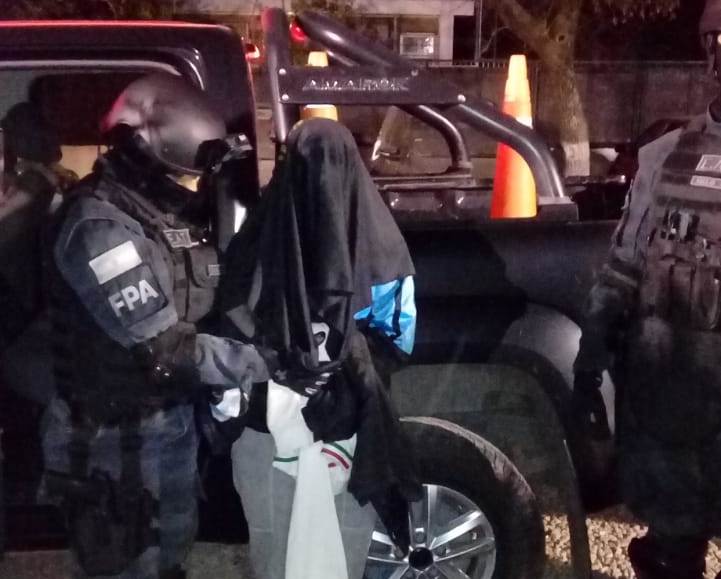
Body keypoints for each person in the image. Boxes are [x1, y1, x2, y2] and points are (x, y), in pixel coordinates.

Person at [40, 73, 268, 579]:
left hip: (165, 424)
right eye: (182, 176)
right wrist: (263, 362)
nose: (193, 187)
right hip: (112, 440)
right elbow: (164, 350)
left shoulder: (159, 216)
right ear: (140, 158)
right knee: (128, 564)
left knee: (169, 553)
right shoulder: (99, 229)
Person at [218, 117, 421, 579]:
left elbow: (230, 319)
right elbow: (399, 341)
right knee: (330, 553)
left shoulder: (255, 243)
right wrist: (338, 360)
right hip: (344, 430)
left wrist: (287, 360)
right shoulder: (385, 250)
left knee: (279, 551)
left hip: (272, 431)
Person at [574, 2, 721, 578]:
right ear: (710, 53)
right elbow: (624, 266)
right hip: (671, 404)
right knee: (670, 552)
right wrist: (590, 357)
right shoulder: (665, 157)